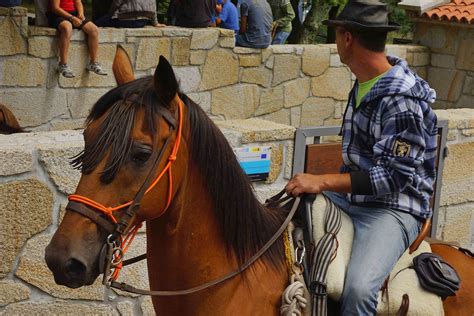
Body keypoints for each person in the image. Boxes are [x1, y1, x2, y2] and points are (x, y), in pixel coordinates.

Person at [285, 0, 438, 314]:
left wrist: (321, 180)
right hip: (354, 198)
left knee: (357, 290)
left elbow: (393, 177)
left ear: (347, 38)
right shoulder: (365, 83)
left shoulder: (400, 99)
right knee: (285, 219)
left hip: (394, 207)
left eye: (337, 33)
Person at [47, 0, 107, 78]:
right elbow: (55, 8)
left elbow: (78, 3)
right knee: (67, 28)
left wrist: (81, 14)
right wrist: (72, 18)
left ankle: (93, 63)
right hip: (58, 15)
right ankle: (63, 65)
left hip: (73, 14)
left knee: (94, 30)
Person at [95, 0, 165, 28]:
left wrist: (109, 14)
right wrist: (155, 23)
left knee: (96, 24)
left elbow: (117, 2)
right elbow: (153, 5)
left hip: (128, 19)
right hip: (143, 21)